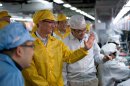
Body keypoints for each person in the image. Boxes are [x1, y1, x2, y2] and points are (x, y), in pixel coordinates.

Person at [22, 9, 95, 86]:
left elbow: (69, 56)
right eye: (50, 22)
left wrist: (84, 49)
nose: (54, 25)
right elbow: (30, 73)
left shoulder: (57, 43)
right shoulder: (27, 43)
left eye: (54, 22)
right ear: (40, 22)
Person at [62, 15, 114, 86]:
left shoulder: (90, 39)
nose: (83, 33)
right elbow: (63, 67)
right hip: (74, 81)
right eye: (79, 31)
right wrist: (64, 84)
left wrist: (104, 58)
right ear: (72, 30)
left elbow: (96, 57)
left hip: (91, 80)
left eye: (84, 29)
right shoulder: (65, 42)